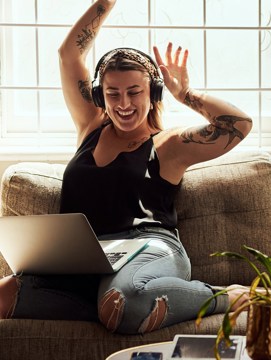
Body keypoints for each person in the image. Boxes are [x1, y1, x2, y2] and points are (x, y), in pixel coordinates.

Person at [0, 0, 251, 334]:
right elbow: (68, 55)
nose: (124, 104)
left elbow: (239, 123)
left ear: (153, 92)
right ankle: (108, 308)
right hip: (87, 259)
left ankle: (225, 297)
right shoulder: (91, 125)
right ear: (100, 96)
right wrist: (105, 2)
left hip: (149, 247)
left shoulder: (169, 145)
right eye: (113, 93)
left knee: (125, 300)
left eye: (134, 92)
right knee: (4, 295)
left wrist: (187, 94)